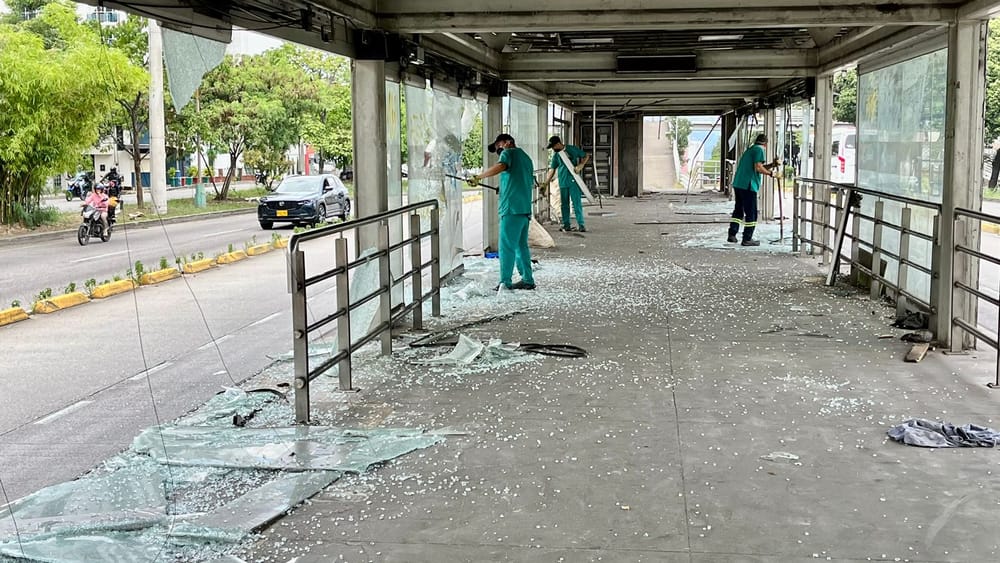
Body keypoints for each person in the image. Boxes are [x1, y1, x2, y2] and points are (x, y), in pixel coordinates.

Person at [469, 133, 536, 290]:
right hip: (524, 208)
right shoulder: (526, 158)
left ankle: (504, 282)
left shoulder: (509, 153)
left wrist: (479, 177)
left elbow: (501, 166)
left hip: (511, 209)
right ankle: (527, 279)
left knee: (506, 246)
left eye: (499, 145)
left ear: (508, 142)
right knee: (521, 246)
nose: (499, 150)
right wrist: (504, 188)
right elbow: (519, 179)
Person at [727, 133, 778, 247]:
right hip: (748, 185)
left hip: (739, 183)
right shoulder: (760, 150)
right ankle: (747, 238)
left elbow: (757, 166)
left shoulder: (750, 150)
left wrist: (772, 165)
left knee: (739, 210)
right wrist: (772, 174)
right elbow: (758, 168)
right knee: (752, 213)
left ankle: (732, 234)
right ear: (765, 144)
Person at [542, 135, 590, 232]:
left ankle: (581, 224)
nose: (553, 149)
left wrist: (581, 165)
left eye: (553, 147)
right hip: (563, 181)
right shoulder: (556, 155)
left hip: (574, 181)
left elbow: (586, 155)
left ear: (558, 144)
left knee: (576, 203)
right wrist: (545, 183)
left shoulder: (572, 149)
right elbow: (552, 169)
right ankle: (566, 224)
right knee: (564, 204)